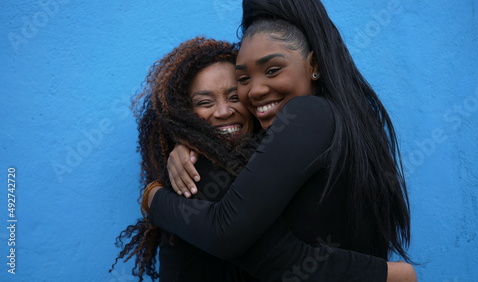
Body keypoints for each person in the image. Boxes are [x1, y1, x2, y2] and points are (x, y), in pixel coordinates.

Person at [146, 0, 416, 281]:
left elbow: (228, 235)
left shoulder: (308, 114)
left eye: (273, 70)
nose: (256, 90)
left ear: (313, 65)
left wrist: (153, 198)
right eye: (244, 78)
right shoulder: (343, 123)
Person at [111, 37, 261, 281]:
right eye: (204, 102)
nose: (224, 111)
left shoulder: (270, 153)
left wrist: (152, 195)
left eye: (234, 97)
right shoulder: (193, 174)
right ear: (182, 114)